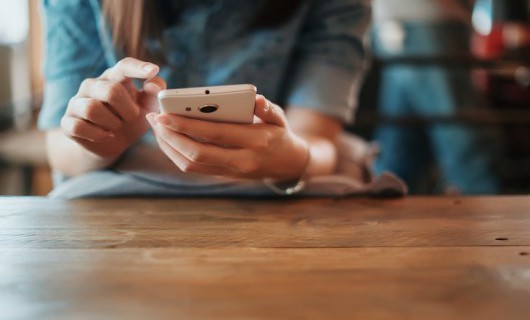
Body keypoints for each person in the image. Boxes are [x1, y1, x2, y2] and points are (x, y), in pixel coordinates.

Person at [39, 0, 373, 198]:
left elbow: (318, 141)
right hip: (116, 200)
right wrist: (100, 140)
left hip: (270, 199)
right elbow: (61, 151)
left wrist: (291, 158)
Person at [371, 0, 501, 194]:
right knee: (402, 152)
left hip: (417, 21)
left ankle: (495, 218)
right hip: (416, 22)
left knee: (403, 152)